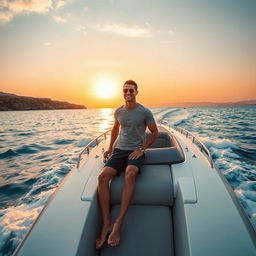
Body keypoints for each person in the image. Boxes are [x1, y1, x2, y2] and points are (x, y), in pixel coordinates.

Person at [95, 80, 158, 249]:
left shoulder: (144, 112)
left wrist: (142, 148)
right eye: (125, 90)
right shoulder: (119, 112)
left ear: (137, 92)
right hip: (119, 150)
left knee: (130, 174)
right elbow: (115, 129)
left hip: (135, 151)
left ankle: (118, 223)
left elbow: (155, 132)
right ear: (122, 93)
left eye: (131, 90)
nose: (128, 93)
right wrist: (109, 148)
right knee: (102, 177)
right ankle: (107, 223)